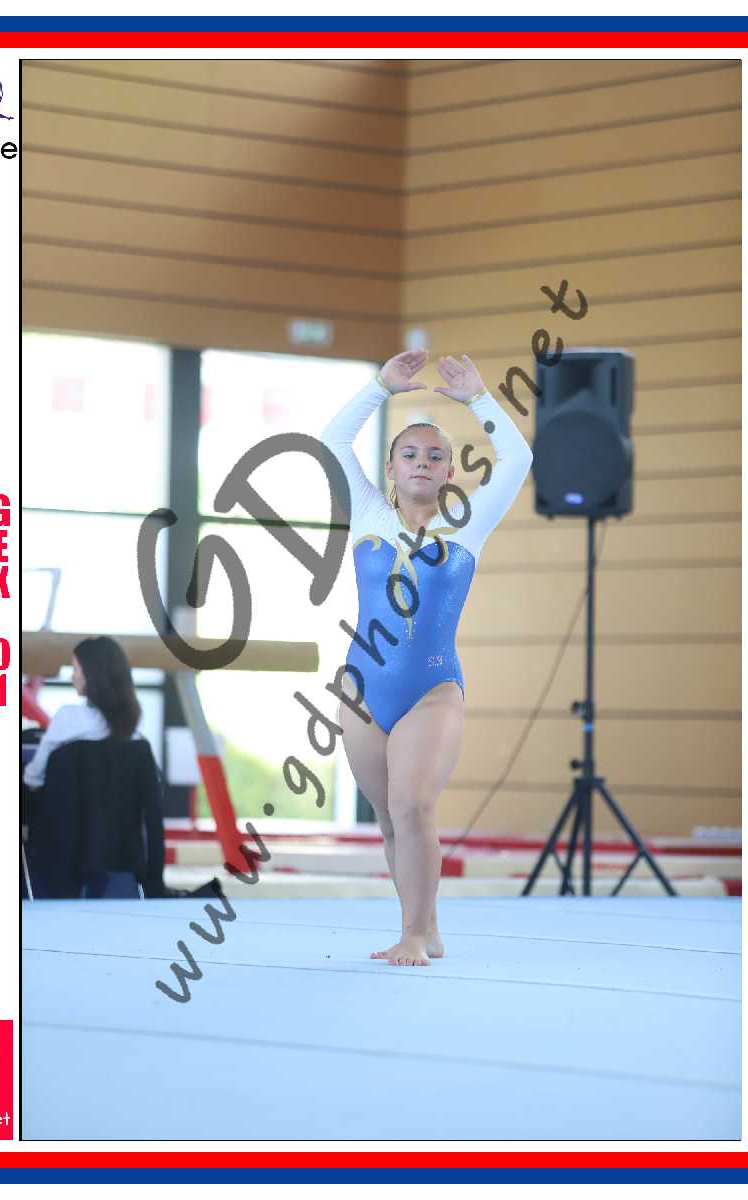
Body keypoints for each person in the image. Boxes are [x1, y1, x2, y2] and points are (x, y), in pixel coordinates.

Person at [320, 349, 533, 966]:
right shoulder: (367, 514)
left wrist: (477, 399)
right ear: (390, 467)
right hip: (362, 688)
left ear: (449, 472)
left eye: (435, 456)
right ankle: (423, 927)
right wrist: (379, 387)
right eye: (410, 454)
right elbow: (332, 440)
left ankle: (416, 934)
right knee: (391, 821)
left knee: (414, 806)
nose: (422, 462)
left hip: (432, 689)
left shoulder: (469, 523)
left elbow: (518, 457)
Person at [23, 635, 143, 791]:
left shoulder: (67, 717)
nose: (71, 676)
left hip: (67, 805)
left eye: (75, 669)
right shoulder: (136, 737)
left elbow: (33, 779)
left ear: (89, 674)